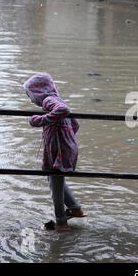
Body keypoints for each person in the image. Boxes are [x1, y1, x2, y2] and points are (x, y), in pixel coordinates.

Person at [23, 73, 86, 231]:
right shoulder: (56, 99)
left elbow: (64, 110)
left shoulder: (48, 100)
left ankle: (61, 222)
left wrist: (40, 120)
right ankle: (75, 208)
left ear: (38, 92)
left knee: (55, 186)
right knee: (54, 179)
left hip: (59, 150)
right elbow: (75, 124)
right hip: (62, 148)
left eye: (30, 95)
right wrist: (65, 136)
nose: (31, 100)